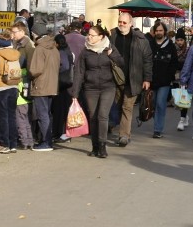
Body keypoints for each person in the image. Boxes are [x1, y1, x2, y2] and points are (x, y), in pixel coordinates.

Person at [68, 25, 125, 158]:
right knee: (93, 116)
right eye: (88, 34)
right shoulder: (85, 51)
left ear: (101, 36)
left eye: (92, 35)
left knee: (102, 115)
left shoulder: (109, 48)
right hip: (90, 88)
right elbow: (79, 72)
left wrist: (113, 55)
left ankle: (102, 145)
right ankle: (94, 147)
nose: (89, 37)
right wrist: (75, 93)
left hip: (108, 87)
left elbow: (122, 63)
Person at [108, 12, 152, 146]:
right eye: (119, 22)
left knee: (127, 107)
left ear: (131, 24)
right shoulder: (112, 36)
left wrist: (147, 79)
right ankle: (113, 127)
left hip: (133, 78)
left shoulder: (140, 39)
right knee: (116, 105)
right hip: (115, 78)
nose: (121, 25)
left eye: (124, 22)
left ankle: (124, 136)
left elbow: (147, 60)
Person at [0, 30, 24, 154]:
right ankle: (13, 144)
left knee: (3, 118)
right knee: (12, 116)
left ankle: (4, 144)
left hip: (1, 89)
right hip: (13, 88)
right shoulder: (16, 54)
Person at [28, 33, 60, 151]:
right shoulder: (54, 48)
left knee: (42, 115)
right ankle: (47, 140)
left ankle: (46, 142)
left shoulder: (39, 49)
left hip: (41, 85)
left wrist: (29, 75)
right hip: (52, 85)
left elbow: (35, 70)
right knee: (47, 114)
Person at [148, 21, 178, 139]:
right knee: (154, 104)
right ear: (154, 32)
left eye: (161, 30)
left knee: (161, 103)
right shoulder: (150, 44)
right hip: (151, 79)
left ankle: (158, 129)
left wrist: (170, 75)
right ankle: (157, 124)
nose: (159, 32)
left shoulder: (170, 45)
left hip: (165, 81)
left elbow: (174, 62)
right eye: (157, 31)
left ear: (164, 31)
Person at [10, 22, 36, 149]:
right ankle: (28, 140)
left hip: (23, 83)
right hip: (22, 81)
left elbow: (30, 66)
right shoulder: (19, 44)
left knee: (21, 114)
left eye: (14, 32)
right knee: (24, 115)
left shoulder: (27, 46)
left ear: (22, 32)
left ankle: (26, 141)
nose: (12, 34)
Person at [51, 34, 75, 145]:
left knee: (59, 110)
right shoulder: (68, 50)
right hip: (68, 84)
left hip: (61, 84)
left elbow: (64, 66)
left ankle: (59, 133)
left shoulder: (60, 52)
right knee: (65, 110)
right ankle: (65, 133)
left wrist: (56, 71)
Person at [174, 33, 190, 131]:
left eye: (181, 40)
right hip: (175, 76)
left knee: (183, 98)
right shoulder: (173, 50)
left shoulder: (188, 50)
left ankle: (182, 119)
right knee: (177, 99)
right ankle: (185, 116)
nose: (179, 42)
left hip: (185, 77)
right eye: (178, 40)